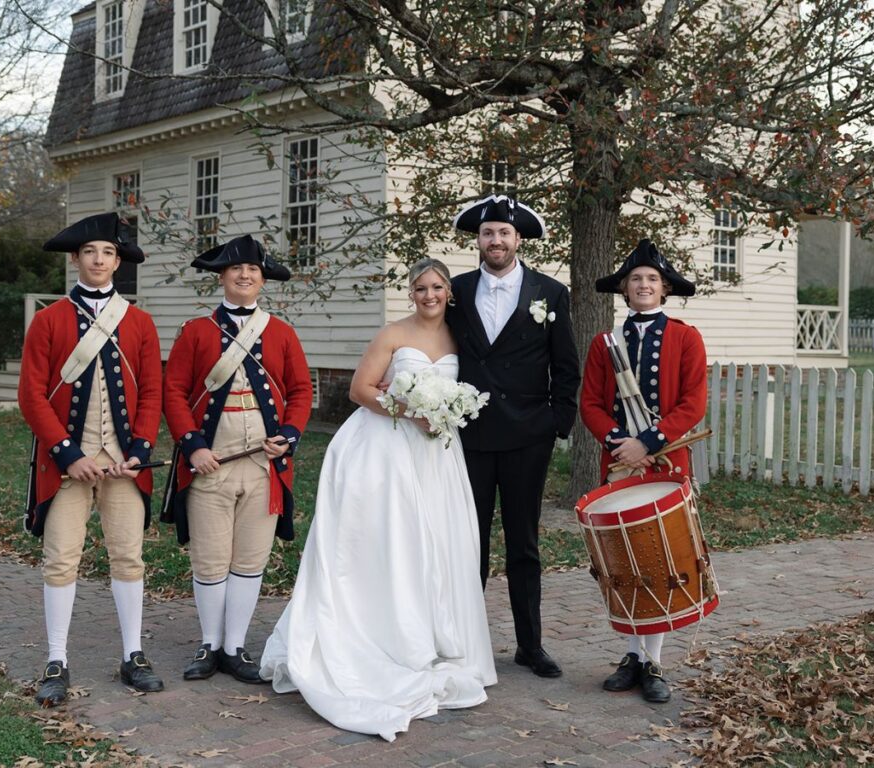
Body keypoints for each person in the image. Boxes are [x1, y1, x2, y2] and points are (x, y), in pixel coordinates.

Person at [260, 258, 497, 742]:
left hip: (436, 456)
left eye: (436, 287)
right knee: (388, 539)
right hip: (386, 448)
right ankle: (381, 632)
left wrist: (443, 411)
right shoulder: (393, 333)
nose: (428, 294)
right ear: (410, 292)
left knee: (433, 542)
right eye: (420, 287)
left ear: (448, 292)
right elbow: (359, 389)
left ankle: (429, 634)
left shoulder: (458, 338)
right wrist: (413, 411)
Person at [18, 212, 164, 706]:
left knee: (128, 557)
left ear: (117, 262)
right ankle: (56, 659)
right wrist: (67, 453)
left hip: (122, 464)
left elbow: (152, 393)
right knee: (60, 559)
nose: (99, 260)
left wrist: (139, 450)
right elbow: (33, 395)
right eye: (90, 252)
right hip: (67, 466)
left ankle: (133, 655)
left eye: (108, 253)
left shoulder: (139, 322)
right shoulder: (50, 319)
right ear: (76, 260)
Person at [162, 234, 312, 685]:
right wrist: (193, 444)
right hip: (211, 462)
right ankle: (209, 643)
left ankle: (234, 646)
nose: (244, 275)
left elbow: (302, 392)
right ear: (222, 277)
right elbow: (173, 392)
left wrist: (288, 435)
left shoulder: (282, 332)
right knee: (210, 559)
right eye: (235, 269)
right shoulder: (196, 332)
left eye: (253, 270)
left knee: (249, 559)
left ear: (262, 279)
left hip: (265, 466)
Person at [446, 195, 580, 678]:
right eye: (487, 234)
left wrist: (555, 423)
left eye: (504, 233)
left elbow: (567, 368)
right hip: (471, 438)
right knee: (470, 544)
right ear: (478, 241)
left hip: (528, 438)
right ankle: (467, 643)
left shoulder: (551, 292)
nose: (495, 241)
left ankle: (530, 645)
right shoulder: (455, 291)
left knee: (523, 545)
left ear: (518, 238)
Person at [579, 238, 707, 703]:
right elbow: (591, 402)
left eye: (652, 279)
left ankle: (654, 661)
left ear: (665, 288)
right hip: (618, 461)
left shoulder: (686, 337)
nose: (644, 285)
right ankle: (632, 656)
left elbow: (693, 403)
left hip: (668, 460)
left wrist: (648, 442)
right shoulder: (604, 344)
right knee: (624, 560)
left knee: (662, 559)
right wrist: (620, 443)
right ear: (625, 290)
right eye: (636, 279)